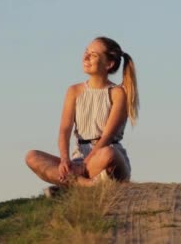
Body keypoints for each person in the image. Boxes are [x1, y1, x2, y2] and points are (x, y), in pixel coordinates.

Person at [25, 36, 139, 188]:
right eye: (86, 52)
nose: (86, 57)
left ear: (109, 64)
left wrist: (85, 164)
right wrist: (65, 160)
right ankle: (86, 184)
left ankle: (71, 183)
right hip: (78, 157)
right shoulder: (74, 91)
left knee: (109, 153)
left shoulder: (117, 93)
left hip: (104, 157)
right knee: (32, 156)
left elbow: (107, 136)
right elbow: (64, 130)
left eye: (94, 55)